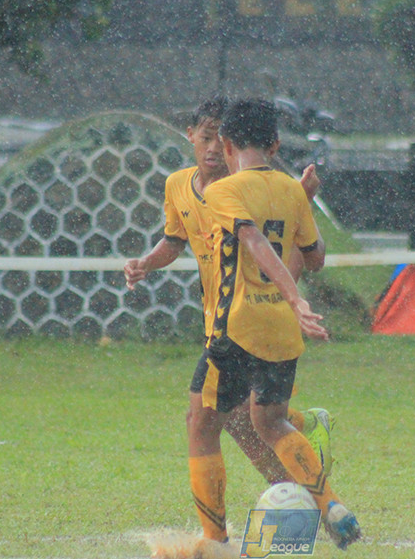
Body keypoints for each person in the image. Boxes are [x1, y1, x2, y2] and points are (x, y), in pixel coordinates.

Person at [123, 98, 333, 523]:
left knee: (216, 421)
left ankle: (227, 532)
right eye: (206, 139)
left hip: (250, 322)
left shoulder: (248, 190)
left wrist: (290, 297)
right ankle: (305, 486)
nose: (214, 149)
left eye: (220, 141)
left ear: (232, 143)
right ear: (191, 136)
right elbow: (174, 239)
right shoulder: (179, 186)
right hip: (221, 322)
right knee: (249, 422)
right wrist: (146, 262)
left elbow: (283, 252)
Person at [189, 97, 361, 551]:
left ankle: (215, 540)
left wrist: (295, 296)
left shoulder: (222, 190)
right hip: (281, 329)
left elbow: (252, 238)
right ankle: (331, 504)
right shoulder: (291, 189)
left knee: (201, 425)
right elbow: (315, 257)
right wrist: (301, 203)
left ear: (227, 144)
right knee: (271, 421)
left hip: (236, 328)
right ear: (276, 144)